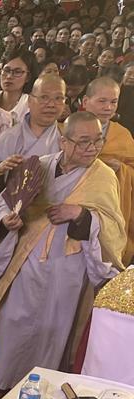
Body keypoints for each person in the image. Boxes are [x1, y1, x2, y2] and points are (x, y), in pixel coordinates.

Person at [0, 111, 123, 392]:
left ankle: (42, 390)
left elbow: (113, 225)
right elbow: (4, 204)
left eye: (97, 141)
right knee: (14, 320)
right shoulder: (37, 166)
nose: (92, 148)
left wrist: (81, 215)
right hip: (27, 260)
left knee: (53, 329)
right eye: (84, 141)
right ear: (64, 142)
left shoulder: (103, 177)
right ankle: (2, 385)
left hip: (68, 266)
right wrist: (7, 221)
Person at [0, 73, 66, 224]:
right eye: (44, 97)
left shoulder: (67, 139)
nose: (51, 104)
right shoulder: (10, 136)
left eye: (58, 98)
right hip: (5, 216)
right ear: (30, 101)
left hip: (47, 219)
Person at [82, 76, 134, 262]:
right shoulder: (67, 128)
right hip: (78, 201)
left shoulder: (122, 134)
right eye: (102, 101)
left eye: (113, 102)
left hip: (110, 205)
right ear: (85, 102)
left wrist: (121, 169)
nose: (108, 107)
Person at [0, 48, 36, 126]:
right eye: (6, 70)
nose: (9, 76)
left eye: (17, 72)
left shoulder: (32, 107)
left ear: (28, 77)